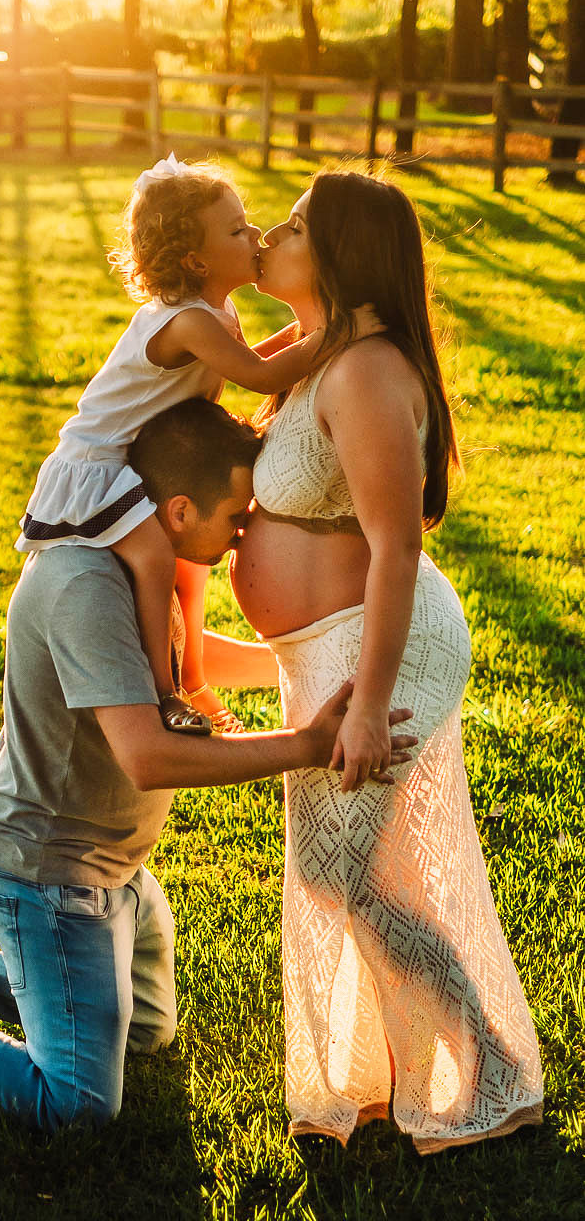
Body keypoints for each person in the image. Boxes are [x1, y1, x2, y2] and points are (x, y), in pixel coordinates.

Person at [0, 397, 418, 1132]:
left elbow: (192, 658)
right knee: (80, 1102)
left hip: (113, 865)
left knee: (145, 1029)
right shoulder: (86, 585)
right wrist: (307, 747)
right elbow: (147, 756)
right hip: (49, 870)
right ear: (181, 510)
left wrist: (327, 656)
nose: (244, 532)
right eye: (238, 517)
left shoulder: (138, 562)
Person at [230, 170, 544, 1154]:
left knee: (345, 873)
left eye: (290, 226)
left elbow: (396, 545)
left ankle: (487, 1063)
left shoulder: (365, 370)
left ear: (338, 251)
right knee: (355, 872)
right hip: (328, 648)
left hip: (381, 647)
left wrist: (365, 704)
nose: (270, 237)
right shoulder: (312, 356)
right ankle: (405, 1069)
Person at [16, 153, 350, 736]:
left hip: (134, 461)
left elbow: (255, 360)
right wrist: (332, 335)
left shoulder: (217, 311)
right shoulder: (186, 320)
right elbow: (262, 376)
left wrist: (300, 334)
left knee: (177, 564)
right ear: (197, 259)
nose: (255, 236)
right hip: (96, 463)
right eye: (237, 230)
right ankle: (165, 692)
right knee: (152, 558)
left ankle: (187, 675)